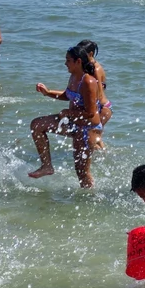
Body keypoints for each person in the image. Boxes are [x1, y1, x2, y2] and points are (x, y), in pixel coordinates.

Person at [26, 45, 102, 188]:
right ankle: (47, 166)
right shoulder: (74, 76)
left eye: (68, 60)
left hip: (88, 128)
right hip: (73, 122)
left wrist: (68, 113)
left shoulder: (89, 82)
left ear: (78, 61)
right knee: (37, 125)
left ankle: (90, 199)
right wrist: (47, 92)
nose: (65, 63)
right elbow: (68, 95)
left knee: (82, 173)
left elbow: (91, 112)